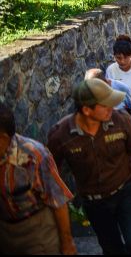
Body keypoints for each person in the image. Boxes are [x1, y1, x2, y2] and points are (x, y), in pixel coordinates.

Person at [48, 78, 131, 255]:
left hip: (127, 192)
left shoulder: (121, 120)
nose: (112, 108)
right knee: (111, 248)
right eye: (106, 105)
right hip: (94, 202)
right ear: (86, 110)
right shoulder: (60, 135)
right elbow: (52, 172)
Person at [0, 104, 76, 255]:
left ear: (2, 138)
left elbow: (58, 201)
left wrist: (67, 243)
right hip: (5, 232)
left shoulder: (35, 155)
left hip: (37, 231)